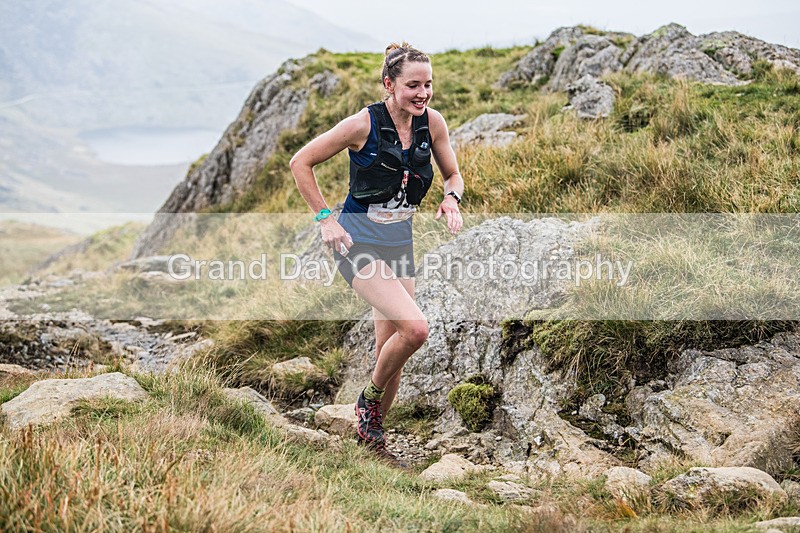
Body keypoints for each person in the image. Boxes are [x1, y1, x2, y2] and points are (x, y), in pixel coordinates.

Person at [290, 42, 464, 463]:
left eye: (428, 85)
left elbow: (453, 174)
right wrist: (325, 219)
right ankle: (367, 401)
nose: (422, 93)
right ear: (390, 85)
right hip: (357, 241)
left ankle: (370, 447)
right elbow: (301, 162)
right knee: (416, 330)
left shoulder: (432, 123)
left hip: (399, 241)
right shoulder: (361, 125)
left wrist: (452, 199)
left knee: (393, 350)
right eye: (412, 85)